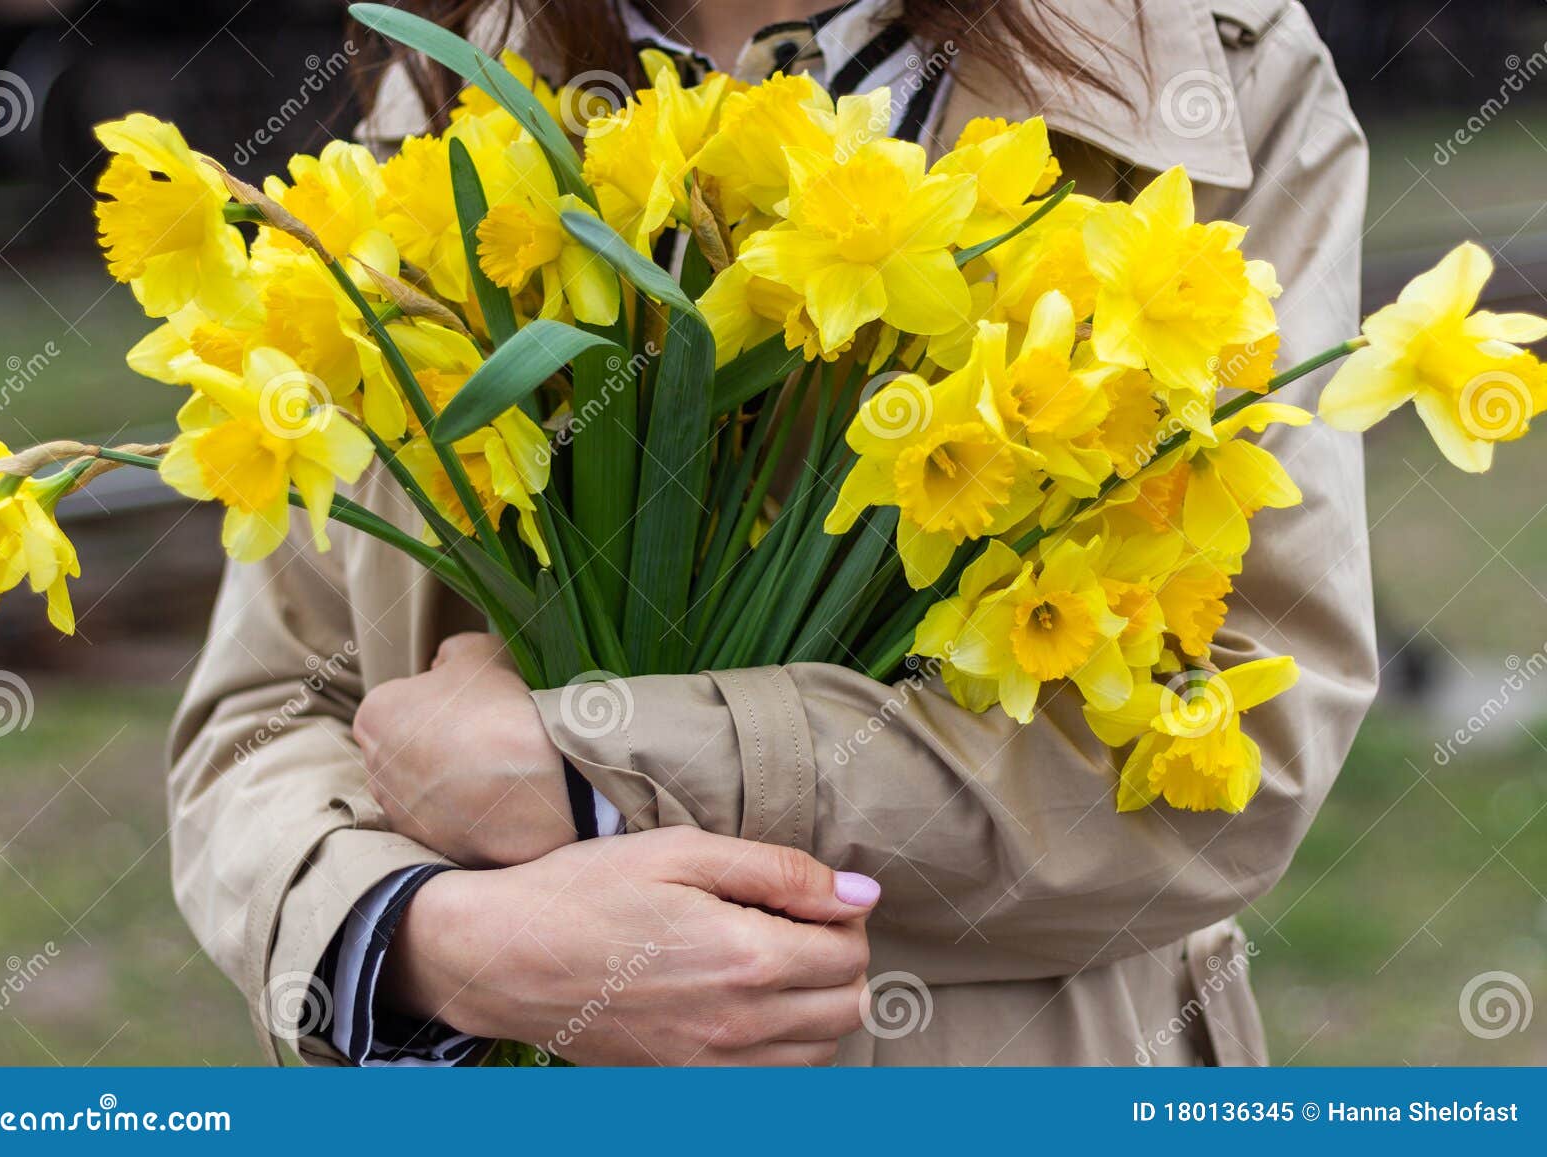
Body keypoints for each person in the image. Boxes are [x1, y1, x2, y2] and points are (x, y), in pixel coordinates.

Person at [168, 0, 1376, 1066]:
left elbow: (1238, 747)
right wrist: (432, 940)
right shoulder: (459, 69)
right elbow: (266, 715)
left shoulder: (1199, 59)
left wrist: (594, 779)